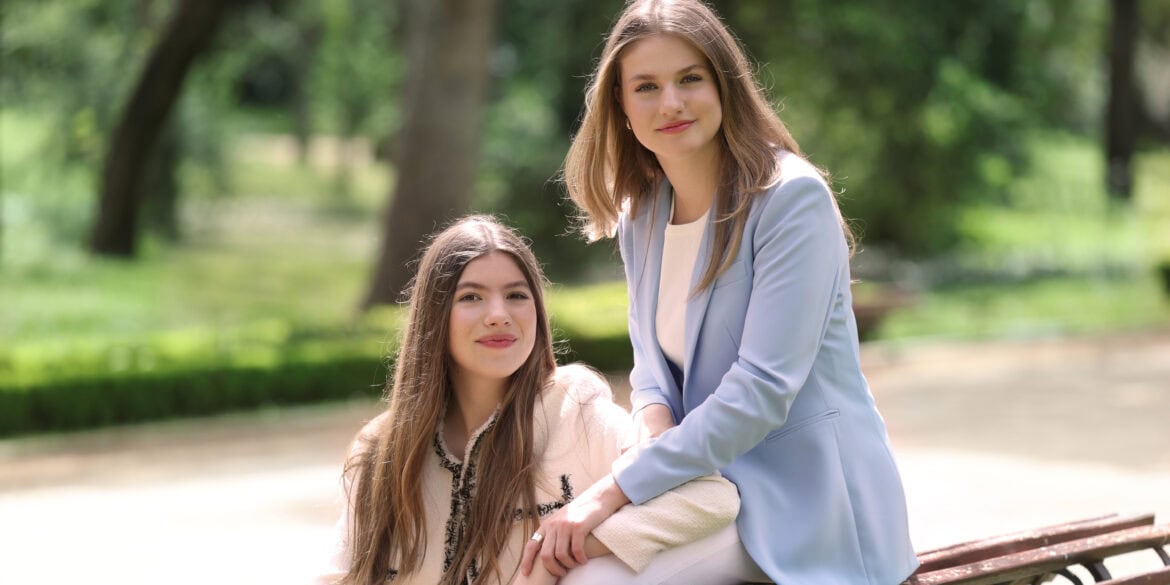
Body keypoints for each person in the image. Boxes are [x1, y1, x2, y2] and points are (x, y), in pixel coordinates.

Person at [521, 1, 919, 584]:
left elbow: (762, 390)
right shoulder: (642, 214)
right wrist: (651, 442)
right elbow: (651, 370)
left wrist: (614, 491)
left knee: (590, 581)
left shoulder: (790, 200)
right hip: (700, 489)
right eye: (646, 87)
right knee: (544, 561)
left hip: (804, 503)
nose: (671, 103)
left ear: (724, 86)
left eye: (690, 79)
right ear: (621, 107)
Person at [319, 215, 740, 585]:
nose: (499, 314)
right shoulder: (381, 451)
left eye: (517, 295)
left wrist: (564, 548)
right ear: (434, 316)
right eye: (471, 297)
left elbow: (708, 495)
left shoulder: (574, 408)